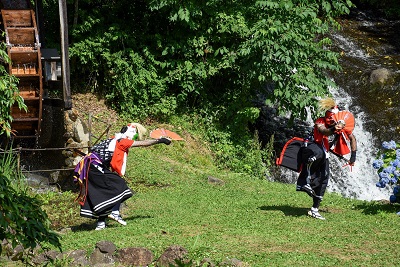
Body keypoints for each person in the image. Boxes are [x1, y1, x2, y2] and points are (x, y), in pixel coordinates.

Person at [73, 123, 171, 230]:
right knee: (119, 185)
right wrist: (160, 141)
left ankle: (101, 224)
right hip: (93, 167)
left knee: (105, 195)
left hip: (90, 166)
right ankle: (115, 213)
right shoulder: (121, 142)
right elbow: (144, 143)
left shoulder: (113, 139)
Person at [296, 98, 357, 220]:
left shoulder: (341, 125)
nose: (330, 120)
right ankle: (304, 182)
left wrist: (353, 157)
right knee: (317, 154)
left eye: (332, 118)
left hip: (324, 152)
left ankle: (314, 209)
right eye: (329, 118)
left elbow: (352, 139)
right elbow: (325, 132)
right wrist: (335, 128)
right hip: (311, 147)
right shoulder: (320, 121)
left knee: (324, 179)